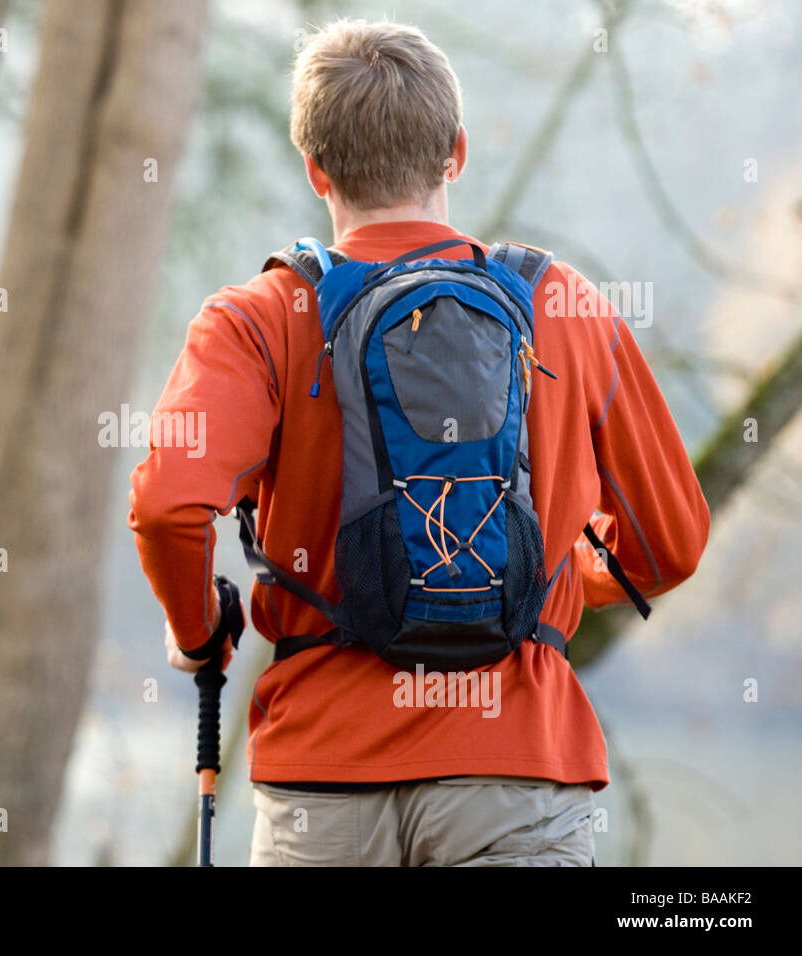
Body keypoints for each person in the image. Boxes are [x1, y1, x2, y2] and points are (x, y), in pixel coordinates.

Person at [127, 18, 710, 866]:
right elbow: (668, 544)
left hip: (322, 785)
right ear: (457, 153)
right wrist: (539, 571)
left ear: (315, 166)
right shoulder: (560, 306)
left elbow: (168, 505)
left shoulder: (260, 318)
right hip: (516, 773)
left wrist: (196, 632)